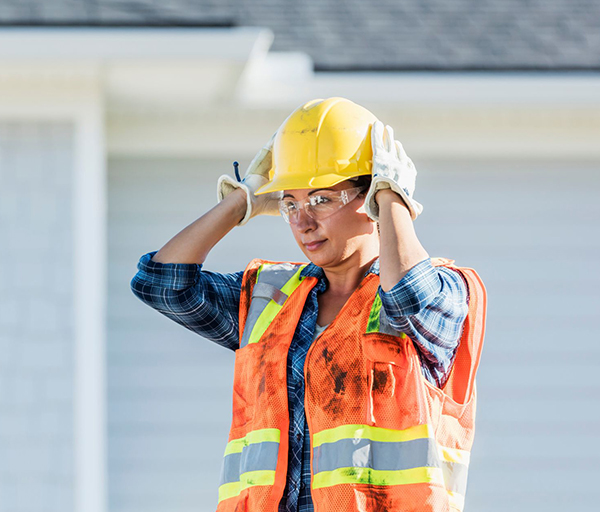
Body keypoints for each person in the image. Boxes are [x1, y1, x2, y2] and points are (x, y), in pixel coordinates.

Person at [131, 97, 487, 512]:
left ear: (370, 196)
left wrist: (393, 198)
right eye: (290, 203)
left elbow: (407, 296)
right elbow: (161, 284)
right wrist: (241, 202)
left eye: (322, 199)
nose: (303, 222)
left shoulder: (448, 292)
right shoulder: (271, 297)